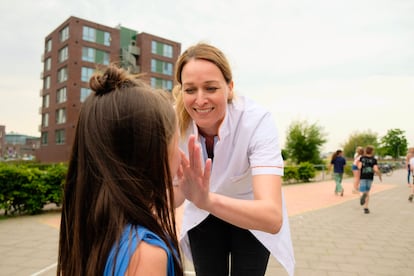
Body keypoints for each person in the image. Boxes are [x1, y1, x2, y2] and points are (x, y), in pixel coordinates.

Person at [172, 43, 295, 276]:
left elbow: (271, 218)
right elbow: (178, 192)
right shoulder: (177, 125)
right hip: (203, 216)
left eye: (210, 88)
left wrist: (206, 199)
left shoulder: (256, 121)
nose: (200, 100)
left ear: (229, 87)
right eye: (190, 90)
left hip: (250, 215)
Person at [57, 64, 184, 276]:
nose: (182, 157)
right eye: (176, 145)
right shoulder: (145, 255)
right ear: (150, 155)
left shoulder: (92, 226)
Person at [357, 145, 382, 214]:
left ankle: (362, 196)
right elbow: (376, 169)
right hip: (370, 177)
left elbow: (359, 167)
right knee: (367, 192)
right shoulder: (374, 159)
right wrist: (380, 176)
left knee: (362, 190)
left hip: (363, 176)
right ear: (372, 151)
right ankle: (366, 208)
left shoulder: (362, 158)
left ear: (366, 151)